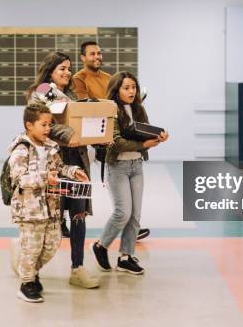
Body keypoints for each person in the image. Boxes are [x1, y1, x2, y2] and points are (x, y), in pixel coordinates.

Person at [26, 52, 100, 289]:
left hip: (76, 164)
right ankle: (29, 266)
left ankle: (77, 268)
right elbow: (46, 127)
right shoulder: (43, 91)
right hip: (53, 164)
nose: (68, 72)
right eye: (62, 68)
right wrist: (71, 135)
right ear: (50, 71)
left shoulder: (67, 96)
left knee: (78, 215)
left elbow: (76, 122)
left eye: (69, 68)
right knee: (48, 220)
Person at [9, 102, 89, 303]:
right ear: (29, 125)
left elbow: (59, 167)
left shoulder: (50, 148)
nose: (48, 129)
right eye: (43, 125)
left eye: (49, 124)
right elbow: (19, 179)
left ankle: (27, 267)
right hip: (30, 210)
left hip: (51, 207)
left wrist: (72, 172)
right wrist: (45, 178)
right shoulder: (21, 150)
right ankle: (27, 283)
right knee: (33, 248)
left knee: (52, 243)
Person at [91, 72, 168, 275]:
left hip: (136, 165)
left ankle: (126, 257)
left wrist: (158, 137)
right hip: (117, 166)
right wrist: (144, 143)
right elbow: (115, 142)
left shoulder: (138, 110)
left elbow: (144, 136)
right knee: (122, 212)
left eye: (134, 87)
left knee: (135, 216)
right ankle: (100, 245)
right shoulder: (111, 110)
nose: (131, 91)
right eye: (126, 87)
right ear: (116, 90)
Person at [74, 41, 151, 241]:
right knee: (106, 185)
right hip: (94, 137)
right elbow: (86, 107)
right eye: (92, 54)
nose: (97, 57)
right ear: (83, 57)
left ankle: (130, 225)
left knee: (124, 202)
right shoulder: (78, 79)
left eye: (99, 53)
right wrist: (112, 106)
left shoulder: (109, 78)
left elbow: (114, 100)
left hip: (116, 130)